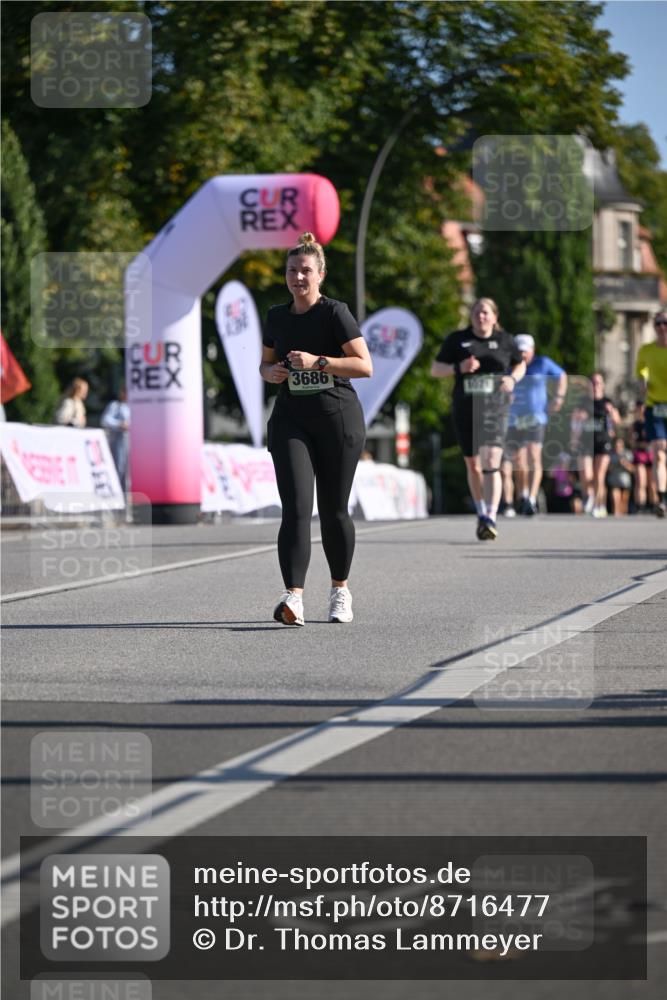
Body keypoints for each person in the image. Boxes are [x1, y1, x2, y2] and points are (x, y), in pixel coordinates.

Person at [260, 232, 372, 626]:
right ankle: (293, 597)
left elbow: (364, 365)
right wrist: (271, 372)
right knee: (295, 509)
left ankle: (340, 590)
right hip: (291, 419)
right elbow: (265, 364)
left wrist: (317, 362)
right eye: (292, 270)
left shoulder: (334, 313)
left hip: (336, 418)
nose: (298, 277)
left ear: (320, 274)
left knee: (333, 511)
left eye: (305, 270)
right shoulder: (276, 315)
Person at [431, 298, 525, 540]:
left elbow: (520, 364)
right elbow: (435, 369)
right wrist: (458, 368)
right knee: (473, 464)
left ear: (494, 317)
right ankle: (481, 510)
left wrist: (512, 379)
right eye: (476, 312)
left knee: (492, 459)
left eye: (485, 312)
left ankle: (490, 516)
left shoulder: (505, 341)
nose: (480, 316)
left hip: (496, 407)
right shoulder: (457, 340)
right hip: (466, 407)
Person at [503, 334, 567, 516]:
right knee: (519, 461)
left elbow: (561, 375)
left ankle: (531, 499)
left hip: (536, 418)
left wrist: (559, 398)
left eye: (526, 350)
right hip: (514, 419)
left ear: (533, 350)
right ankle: (522, 495)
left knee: (534, 456)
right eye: (519, 351)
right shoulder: (510, 366)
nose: (523, 354)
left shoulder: (542, 363)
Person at [571, 373, 620, 518]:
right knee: (586, 474)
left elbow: (617, 421)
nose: (596, 385)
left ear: (603, 385)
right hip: (586, 441)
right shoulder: (583, 402)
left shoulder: (607, 402)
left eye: (598, 382)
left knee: (599, 475)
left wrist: (611, 412)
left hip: (602, 441)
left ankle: (600, 505)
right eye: (593, 382)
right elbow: (574, 423)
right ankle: (590, 496)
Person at [636, 309, 667, 518]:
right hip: (654, 406)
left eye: (666, 323)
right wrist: (643, 383)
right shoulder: (646, 350)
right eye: (658, 323)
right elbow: (641, 373)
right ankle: (662, 499)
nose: (662, 327)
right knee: (659, 452)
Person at [630, 401, 657, 513]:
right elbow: (632, 442)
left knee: (652, 483)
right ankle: (640, 506)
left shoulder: (651, 423)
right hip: (639, 454)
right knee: (640, 481)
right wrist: (641, 445)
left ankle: (654, 505)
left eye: (643, 408)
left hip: (651, 454)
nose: (641, 410)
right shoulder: (635, 425)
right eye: (639, 408)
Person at [101, 385, 130, 491]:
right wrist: (119, 424)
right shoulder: (115, 406)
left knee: (130, 472)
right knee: (119, 468)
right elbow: (105, 420)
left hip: (133, 442)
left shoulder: (136, 406)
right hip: (119, 440)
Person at [606, 437, 634, 516]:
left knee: (624, 502)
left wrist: (624, 463)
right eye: (616, 443)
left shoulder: (627, 453)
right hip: (614, 479)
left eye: (620, 443)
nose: (618, 445)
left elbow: (632, 469)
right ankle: (616, 513)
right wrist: (611, 466)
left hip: (625, 481)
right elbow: (607, 469)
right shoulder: (610, 454)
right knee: (615, 500)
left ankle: (623, 518)